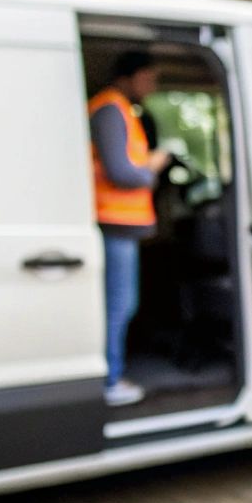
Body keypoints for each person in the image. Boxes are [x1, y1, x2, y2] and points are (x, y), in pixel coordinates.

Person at [88, 50, 173, 407]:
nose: (152, 86)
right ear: (131, 76)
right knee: (118, 305)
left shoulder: (120, 109)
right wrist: (152, 167)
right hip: (113, 224)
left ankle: (112, 374)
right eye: (149, 78)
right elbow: (121, 172)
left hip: (122, 226)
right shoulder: (110, 109)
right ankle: (110, 379)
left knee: (122, 303)